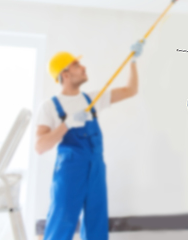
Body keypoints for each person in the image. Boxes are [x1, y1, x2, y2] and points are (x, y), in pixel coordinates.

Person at [35, 41, 143, 240]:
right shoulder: (50, 106)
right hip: (69, 171)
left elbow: (130, 90)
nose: (83, 67)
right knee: (61, 222)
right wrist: (66, 124)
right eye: (77, 65)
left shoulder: (92, 99)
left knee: (96, 223)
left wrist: (133, 62)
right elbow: (40, 146)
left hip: (95, 167)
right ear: (65, 74)